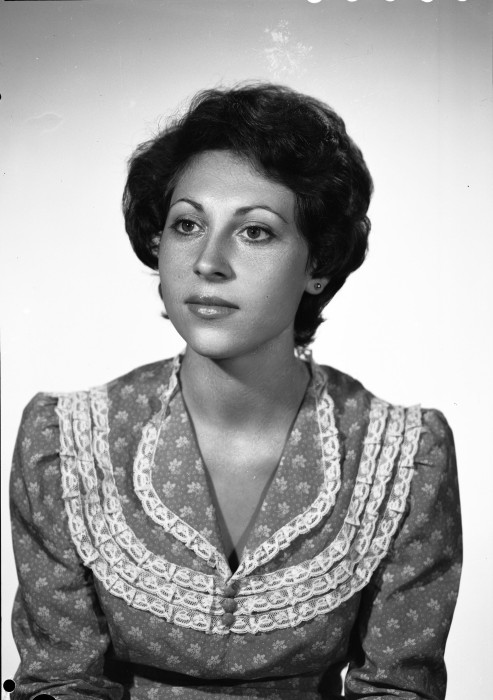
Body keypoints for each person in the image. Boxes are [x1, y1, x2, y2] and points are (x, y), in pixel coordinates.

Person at [10, 84, 462, 700]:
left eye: (254, 232)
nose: (208, 262)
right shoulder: (63, 443)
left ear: (319, 263)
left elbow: (398, 689)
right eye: (187, 225)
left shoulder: (405, 456)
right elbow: (60, 682)